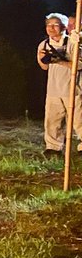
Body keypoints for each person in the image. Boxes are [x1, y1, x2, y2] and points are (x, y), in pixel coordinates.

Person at [37, 13, 78, 156]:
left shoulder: (73, 43)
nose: (51, 28)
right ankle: (53, 147)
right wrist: (43, 58)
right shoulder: (44, 44)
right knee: (53, 120)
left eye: (55, 25)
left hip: (72, 88)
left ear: (64, 27)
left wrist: (58, 60)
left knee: (78, 119)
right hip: (53, 88)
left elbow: (78, 65)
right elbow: (44, 67)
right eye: (48, 25)